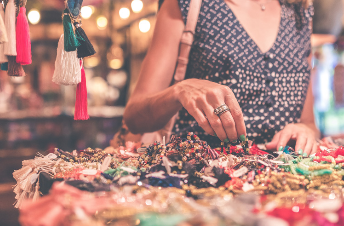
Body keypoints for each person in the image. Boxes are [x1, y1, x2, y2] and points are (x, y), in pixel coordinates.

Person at [123, 0, 319, 156]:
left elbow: (309, 122)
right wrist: (180, 90)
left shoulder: (300, 11)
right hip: (201, 181)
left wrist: (304, 131)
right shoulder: (187, 4)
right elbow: (134, 117)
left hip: (284, 185)